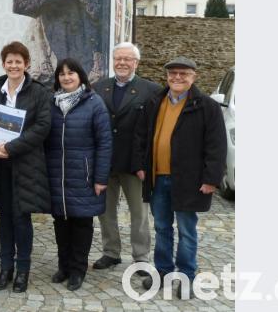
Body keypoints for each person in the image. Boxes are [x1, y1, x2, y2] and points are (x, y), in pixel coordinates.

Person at [136, 56, 226, 298]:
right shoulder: (155, 101)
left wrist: (211, 179)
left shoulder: (207, 106)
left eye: (183, 74)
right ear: (166, 76)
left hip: (189, 180)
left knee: (187, 230)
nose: (177, 77)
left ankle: (187, 278)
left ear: (193, 77)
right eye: (173, 73)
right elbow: (142, 136)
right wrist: (141, 165)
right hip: (158, 177)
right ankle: (163, 273)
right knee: (162, 227)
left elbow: (216, 146)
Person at [0, 41, 51, 293]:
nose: (14, 65)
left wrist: (11, 147)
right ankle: (5, 267)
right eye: (10, 61)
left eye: (19, 61)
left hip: (26, 165)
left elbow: (42, 127)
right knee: (5, 218)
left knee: (21, 218)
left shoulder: (39, 92)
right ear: (3, 64)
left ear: (26, 64)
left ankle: (22, 270)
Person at [91, 42, 160, 275]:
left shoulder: (151, 90)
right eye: (118, 58)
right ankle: (111, 252)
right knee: (105, 211)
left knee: (139, 214)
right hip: (105, 162)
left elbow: (154, 130)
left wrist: (147, 163)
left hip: (135, 163)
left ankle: (141, 257)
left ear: (136, 63)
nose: (122, 63)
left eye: (127, 59)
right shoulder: (99, 87)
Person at [45, 58, 111, 291]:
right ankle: (63, 266)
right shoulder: (50, 103)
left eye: (71, 73)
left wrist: (101, 178)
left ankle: (77, 270)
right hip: (56, 173)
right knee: (60, 223)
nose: (66, 77)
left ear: (80, 76)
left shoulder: (94, 103)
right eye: (61, 74)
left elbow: (104, 143)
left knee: (82, 223)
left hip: (84, 174)